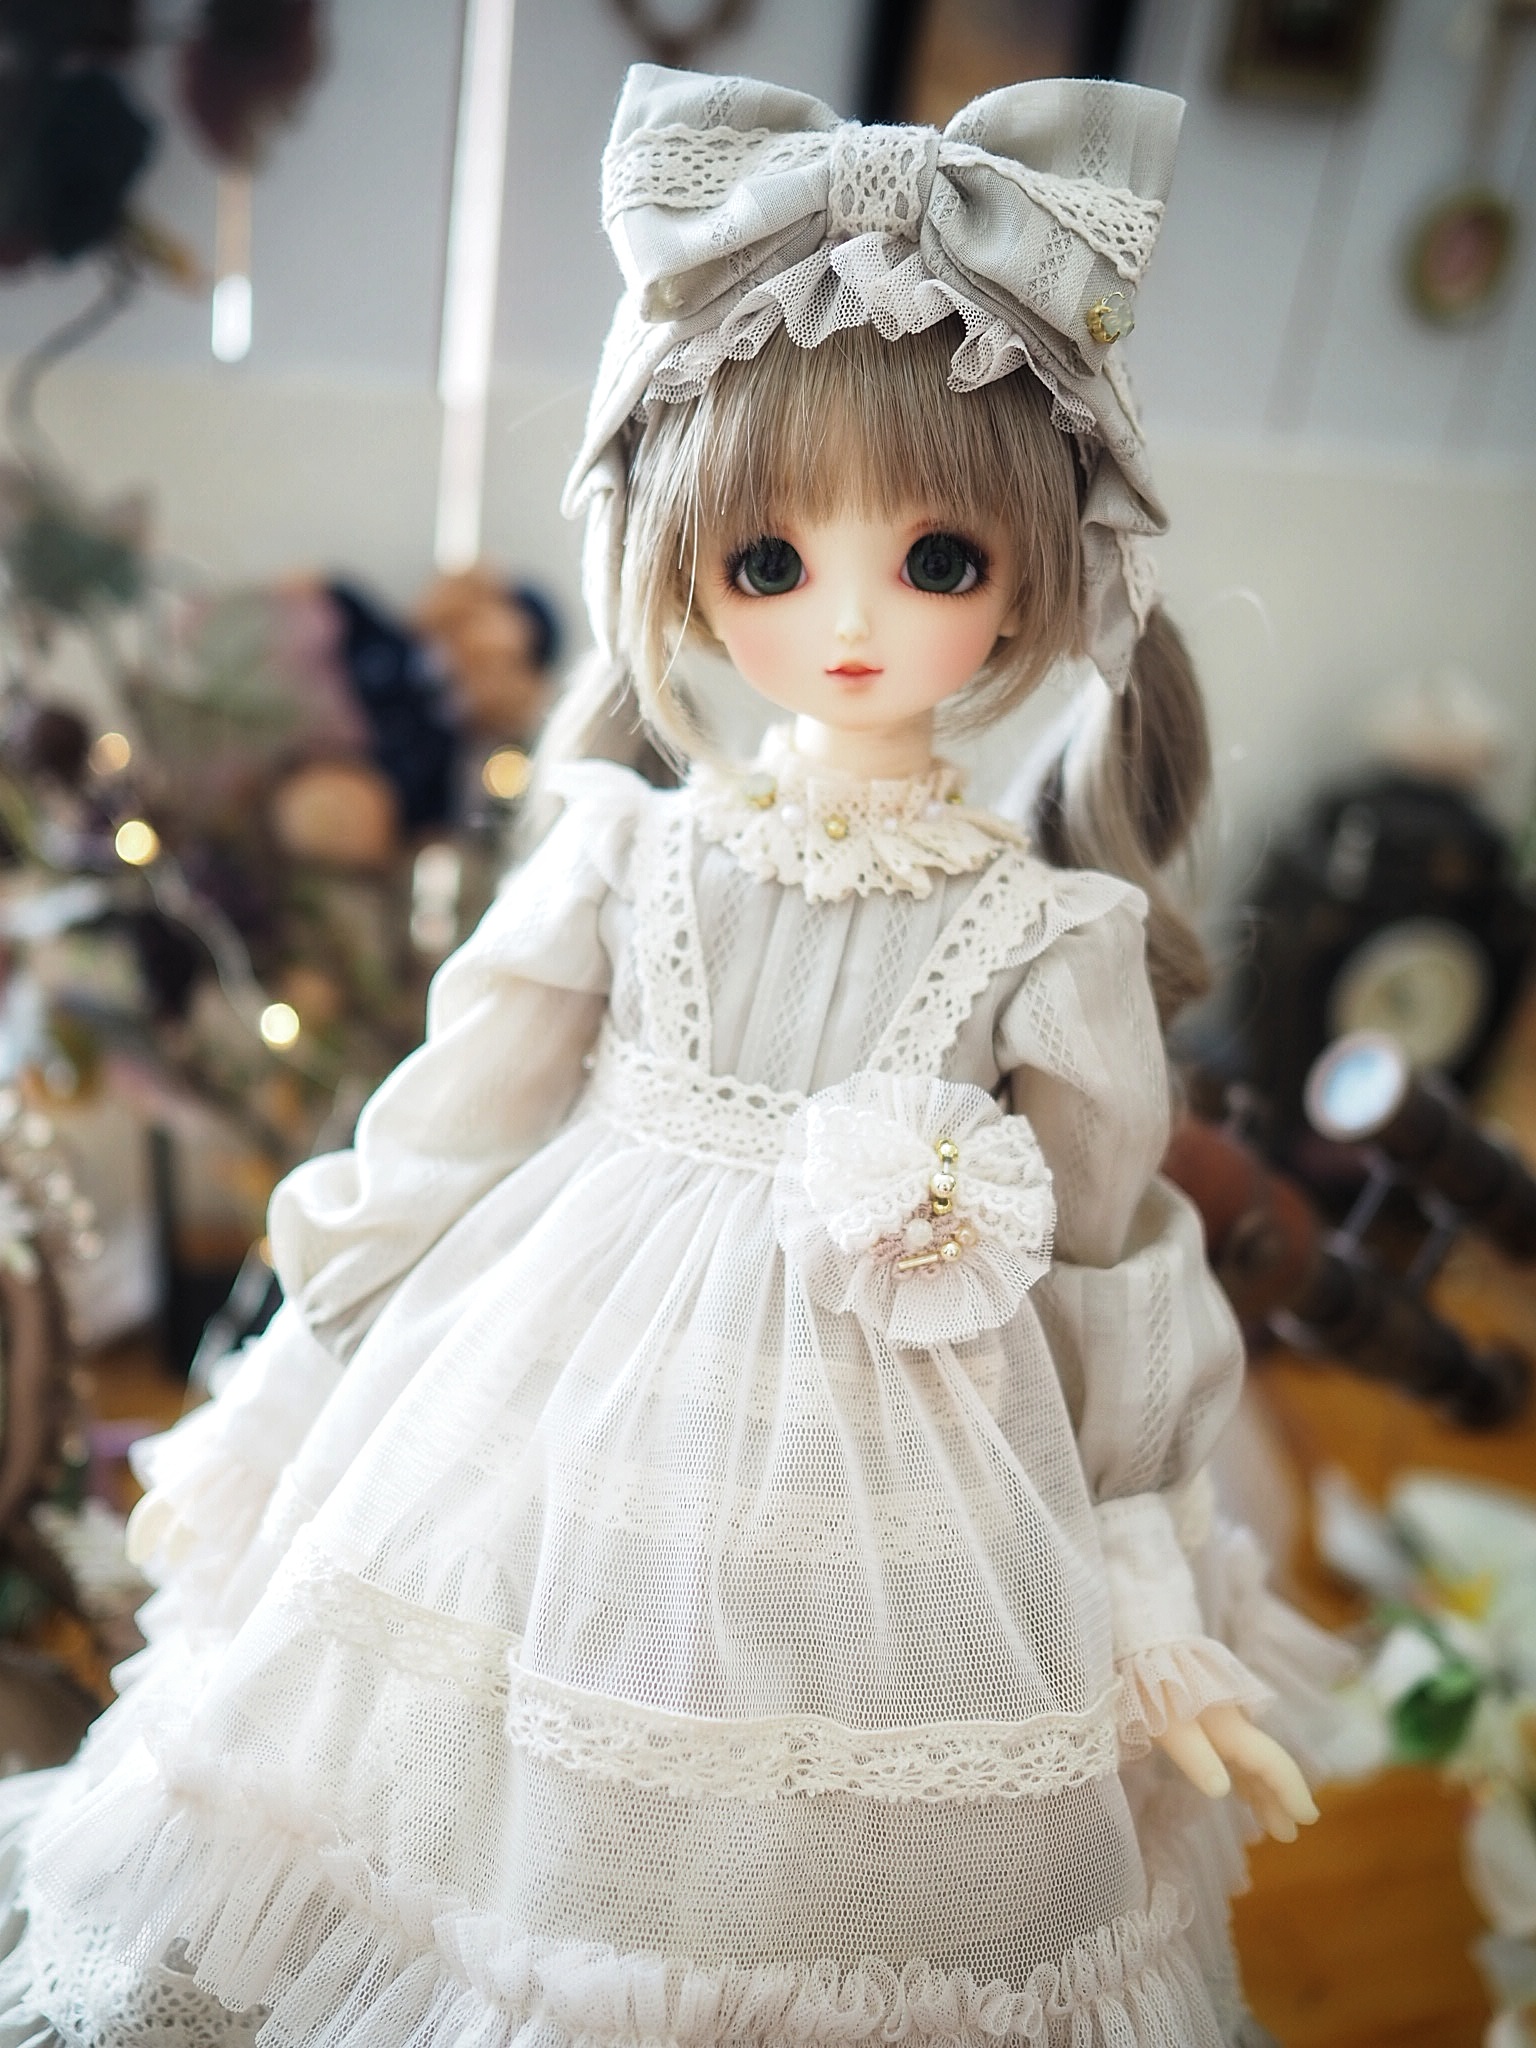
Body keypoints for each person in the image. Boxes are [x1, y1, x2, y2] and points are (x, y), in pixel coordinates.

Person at [0, 65, 1348, 2048]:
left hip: (901, 1486)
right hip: (555, 1389)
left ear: (1041, 568)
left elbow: (1104, 1259)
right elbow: (444, 1139)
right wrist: (286, 1401)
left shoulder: (1045, 932)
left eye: (941, 559)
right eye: (771, 561)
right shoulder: (626, 851)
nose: (854, 621)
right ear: (685, 563)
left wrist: (1142, 1594)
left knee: (805, 1880)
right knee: (488, 1819)